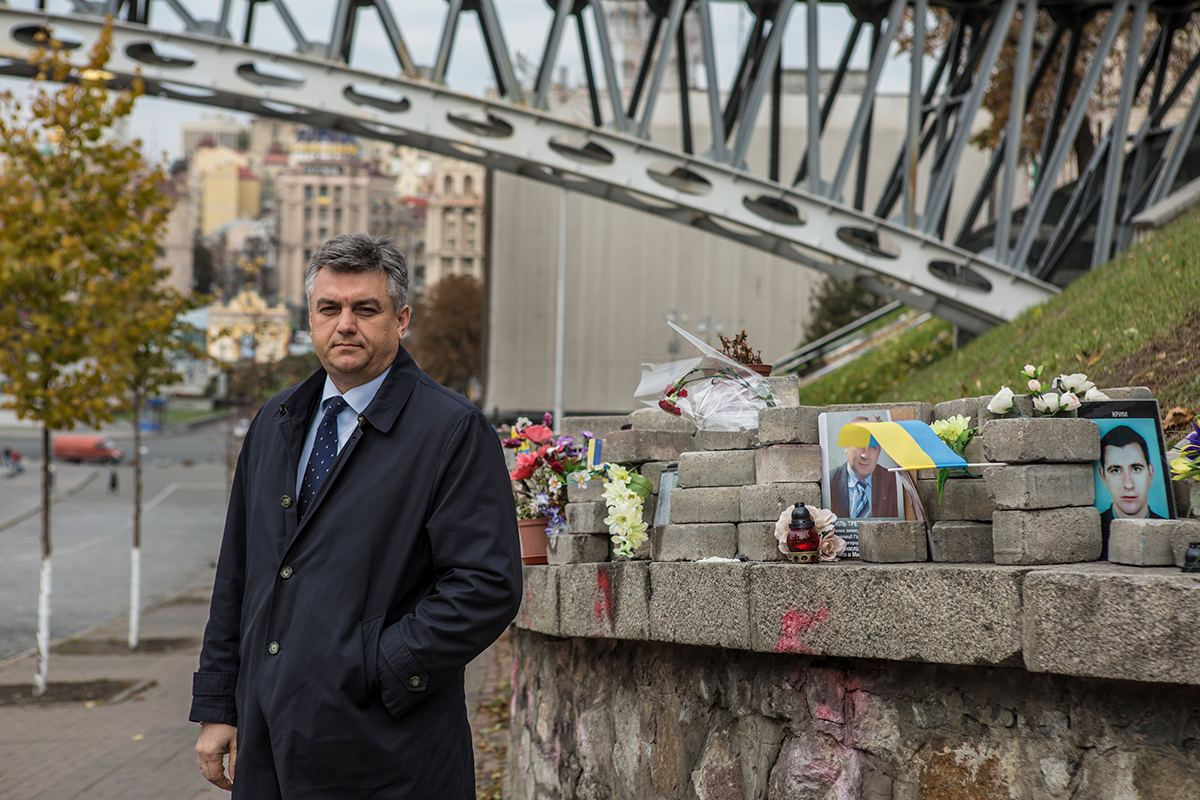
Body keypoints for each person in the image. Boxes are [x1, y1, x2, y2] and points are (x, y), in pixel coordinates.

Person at [191, 233, 522, 799]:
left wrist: (372, 668)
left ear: (401, 320)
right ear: (311, 319)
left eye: (365, 309)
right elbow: (238, 574)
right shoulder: (275, 421)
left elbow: (486, 585)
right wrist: (220, 704)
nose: (345, 324)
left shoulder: (451, 431)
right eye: (330, 308)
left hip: (390, 753)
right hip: (271, 745)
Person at [1098, 424, 1162, 557]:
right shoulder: (1091, 531)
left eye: (1136, 469)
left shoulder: (1169, 529)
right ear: (1103, 477)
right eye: (1116, 471)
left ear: (1150, 473)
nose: (1128, 484)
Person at [830, 416, 899, 519]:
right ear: (846, 446)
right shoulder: (830, 481)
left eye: (872, 447)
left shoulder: (894, 481)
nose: (865, 456)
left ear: (879, 452)